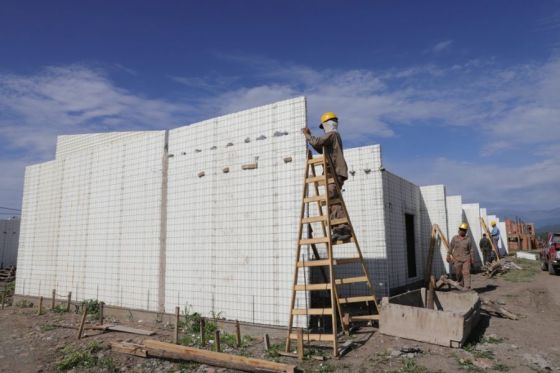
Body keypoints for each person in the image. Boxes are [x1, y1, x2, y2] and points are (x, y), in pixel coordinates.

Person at [302, 111, 350, 242]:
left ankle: (343, 228)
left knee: (333, 200)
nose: (324, 130)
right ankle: (338, 228)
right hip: (334, 173)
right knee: (332, 200)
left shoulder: (333, 134)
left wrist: (307, 135)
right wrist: (310, 139)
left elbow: (318, 142)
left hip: (335, 172)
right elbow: (320, 148)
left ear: (328, 124)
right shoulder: (333, 138)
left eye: (324, 127)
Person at [448, 223, 475, 290]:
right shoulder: (455, 238)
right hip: (457, 259)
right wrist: (448, 255)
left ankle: (467, 286)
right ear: (459, 230)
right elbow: (451, 247)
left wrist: (472, 258)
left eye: (463, 230)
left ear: (466, 231)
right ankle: (460, 283)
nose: (462, 231)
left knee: (466, 272)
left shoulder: (468, 239)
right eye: (461, 229)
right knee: (458, 273)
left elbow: (471, 249)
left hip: (466, 258)